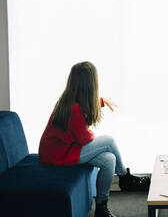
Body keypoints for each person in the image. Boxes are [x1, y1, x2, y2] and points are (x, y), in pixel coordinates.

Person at [39, 61, 150, 217]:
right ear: (89, 84)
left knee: (109, 159)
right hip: (58, 155)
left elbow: (85, 111)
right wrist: (93, 136)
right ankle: (125, 178)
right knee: (109, 141)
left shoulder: (70, 100)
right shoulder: (74, 109)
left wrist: (102, 102)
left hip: (65, 149)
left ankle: (101, 207)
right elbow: (84, 138)